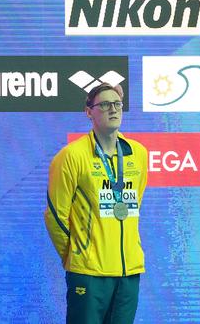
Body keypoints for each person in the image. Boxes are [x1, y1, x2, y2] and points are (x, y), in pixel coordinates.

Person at [44, 83, 148, 324]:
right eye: (104, 104)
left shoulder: (138, 154)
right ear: (89, 112)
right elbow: (55, 216)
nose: (113, 109)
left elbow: (134, 205)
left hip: (129, 272)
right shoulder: (71, 156)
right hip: (89, 273)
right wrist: (76, 255)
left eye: (117, 104)